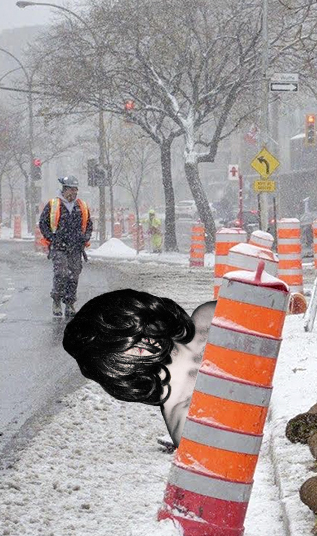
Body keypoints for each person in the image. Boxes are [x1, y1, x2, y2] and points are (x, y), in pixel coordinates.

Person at [62, 289, 215, 449]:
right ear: (112, 370)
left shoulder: (209, 315)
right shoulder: (185, 421)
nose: (134, 343)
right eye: (115, 344)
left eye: (125, 325)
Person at [38, 176, 93, 318]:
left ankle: (69, 303)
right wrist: (52, 238)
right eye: (71, 189)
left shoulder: (81, 206)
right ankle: (56, 300)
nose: (74, 193)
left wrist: (85, 237)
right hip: (59, 247)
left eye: (76, 190)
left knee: (74, 276)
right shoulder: (53, 204)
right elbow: (43, 223)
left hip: (75, 247)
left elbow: (89, 225)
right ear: (64, 189)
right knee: (61, 274)